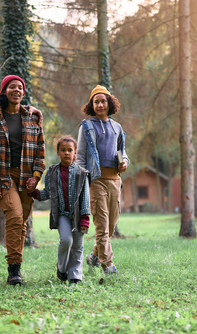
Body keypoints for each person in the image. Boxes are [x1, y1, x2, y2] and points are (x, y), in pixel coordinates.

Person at [0, 75, 45, 285]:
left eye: (19, 87)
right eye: (11, 87)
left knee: (22, 222)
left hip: (27, 177)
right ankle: (13, 270)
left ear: (23, 93)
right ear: (4, 91)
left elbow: (40, 151)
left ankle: (16, 268)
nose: (16, 90)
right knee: (15, 218)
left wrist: (36, 177)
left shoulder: (33, 117)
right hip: (5, 176)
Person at [77, 85, 129, 275]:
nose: (100, 104)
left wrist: (125, 163)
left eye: (103, 101)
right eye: (96, 102)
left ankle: (93, 257)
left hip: (115, 181)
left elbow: (123, 153)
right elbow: (80, 156)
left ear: (109, 103)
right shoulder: (86, 126)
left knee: (111, 226)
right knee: (101, 225)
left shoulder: (117, 127)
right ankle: (108, 265)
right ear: (92, 105)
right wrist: (84, 179)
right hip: (96, 180)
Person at [31, 135, 90, 284]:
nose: (66, 153)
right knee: (66, 240)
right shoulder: (52, 172)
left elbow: (85, 197)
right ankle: (62, 269)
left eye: (70, 150)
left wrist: (85, 217)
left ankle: (75, 275)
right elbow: (48, 192)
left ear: (75, 152)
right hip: (62, 214)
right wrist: (35, 193)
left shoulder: (82, 174)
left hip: (78, 215)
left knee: (77, 245)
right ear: (58, 152)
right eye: (63, 150)